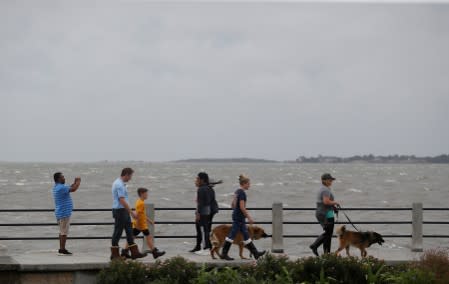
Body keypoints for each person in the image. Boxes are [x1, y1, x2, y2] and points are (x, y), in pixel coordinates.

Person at [220, 174, 266, 261]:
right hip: (239, 218)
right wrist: (249, 217)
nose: (249, 185)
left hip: (236, 215)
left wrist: (236, 211)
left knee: (245, 235)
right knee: (232, 235)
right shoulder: (242, 193)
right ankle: (224, 253)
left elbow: (233, 205)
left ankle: (256, 253)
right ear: (244, 183)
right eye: (249, 184)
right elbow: (242, 207)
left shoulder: (237, 191)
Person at [110, 168, 146, 260]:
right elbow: (121, 200)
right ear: (126, 174)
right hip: (120, 211)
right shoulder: (119, 185)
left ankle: (134, 252)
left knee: (129, 231)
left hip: (124, 211)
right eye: (130, 176)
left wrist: (128, 211)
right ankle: (114, 255)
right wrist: (131, 212)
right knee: (118, 232)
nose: (130, 178)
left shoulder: (121, 184)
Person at [121, 187, 165, 259]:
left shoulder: (139, 201)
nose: (147, 195)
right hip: (140, 225)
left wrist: (149, 220)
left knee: (132, 238)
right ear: (142, 194)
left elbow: (142, 214)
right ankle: (155, 252)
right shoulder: (140, 203)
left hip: (140, 224)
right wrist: (138, 225)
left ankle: (124, 252)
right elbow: (137, 215)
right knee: (147, 237)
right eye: (146, 194)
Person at [309, 173, 340, 256]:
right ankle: (314, 246)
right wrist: (335, 202)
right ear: (324, 180)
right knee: (328, 233)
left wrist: (333, 206)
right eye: (329, 180)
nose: (331, 181)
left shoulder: (325, 188)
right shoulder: (325, 190)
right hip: (325, 213)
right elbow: (326, 201)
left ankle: (327, 253)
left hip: (327, 212)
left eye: (331, 180)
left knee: (328, 233)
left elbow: (326, 202)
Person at [52, 172, 81, 255]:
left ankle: (61, 248)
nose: (64, 178)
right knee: (64, 232)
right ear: (58, 179)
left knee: (62, 231)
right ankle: (62, 249)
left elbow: (70, 187)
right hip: (64, 213)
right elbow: (73, 189)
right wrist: (78, 182)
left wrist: (75, 183)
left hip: (60, 212)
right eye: (62, 177)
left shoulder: (57, 187)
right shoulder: (61, 188)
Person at [189, 172, 214, 255]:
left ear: (202, 180)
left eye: (197, 178)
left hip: (203, 212)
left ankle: (206, 248)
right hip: (208, 212)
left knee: (203, 230)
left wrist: (198, 213)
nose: (196, 180)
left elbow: (202, 203)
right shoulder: (208, 188)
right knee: (205, 230)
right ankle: (203, 247)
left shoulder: (202, 189)